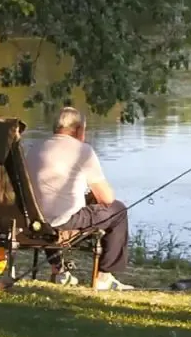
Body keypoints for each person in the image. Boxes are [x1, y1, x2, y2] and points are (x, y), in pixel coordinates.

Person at [24, 106, 133, 290]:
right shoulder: (83, 151)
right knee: (118, 210)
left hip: (35, 220)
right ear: (78, 129)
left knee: (50, 211)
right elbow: (106, 198)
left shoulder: (35, 148)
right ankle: (104, 277)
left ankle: (59, 271)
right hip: (66, 221)